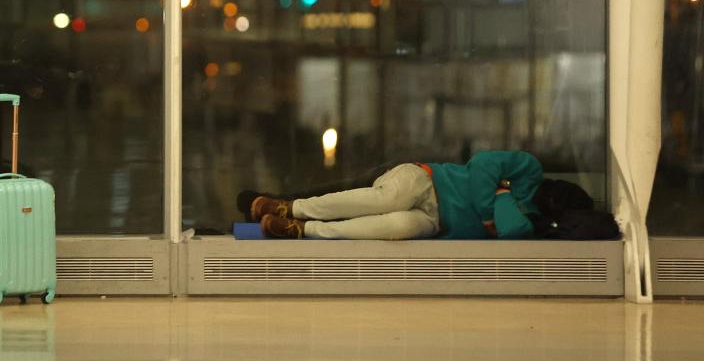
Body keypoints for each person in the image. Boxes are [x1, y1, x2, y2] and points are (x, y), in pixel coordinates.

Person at [241, 150, 591, 240]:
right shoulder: (529, 169)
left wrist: (500, 190)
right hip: (428, 180)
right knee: (387, 201)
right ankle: (291, 207)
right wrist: (491, 213)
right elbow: (483, 164)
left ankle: (302, 230)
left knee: (399, 227)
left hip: (434, 222)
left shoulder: (531, 223)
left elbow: (513, 230)